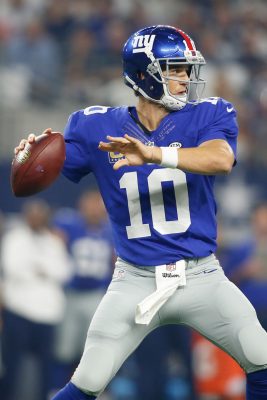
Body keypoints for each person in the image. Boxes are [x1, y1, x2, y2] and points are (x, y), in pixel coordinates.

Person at [15, 25, 267, 400]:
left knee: (261, 357)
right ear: (144, 74)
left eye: (186, 69)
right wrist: (28, 158)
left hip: (201, 275)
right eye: (174, 69)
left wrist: (155, 153)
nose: (185, 78)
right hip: (134, 280)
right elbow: (33, 181)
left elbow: (221, 158)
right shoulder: (94, 125)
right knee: (87, 381)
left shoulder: (210, 113)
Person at [0, 199, 71, 400]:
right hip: (18, 311)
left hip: (48, 315)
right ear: (26, 216)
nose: (36, 218)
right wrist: (45, 271)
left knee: (46, 368)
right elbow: (13, 267)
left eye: (40, 215)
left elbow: (65, 271)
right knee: (11, 365)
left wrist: (38, 268)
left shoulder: (53, 241)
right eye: (33, 214)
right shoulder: (14, 238)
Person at [51, 190, 114, 392]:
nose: (95, 209)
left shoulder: (110, 230)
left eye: (99, 204)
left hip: (97, 295)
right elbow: (53, 242)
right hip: (71, 294)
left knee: (95, 351)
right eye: (92, 204)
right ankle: (58, 390)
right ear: (82, 205)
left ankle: (95, 393)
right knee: (65, 349)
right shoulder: (68, 223)